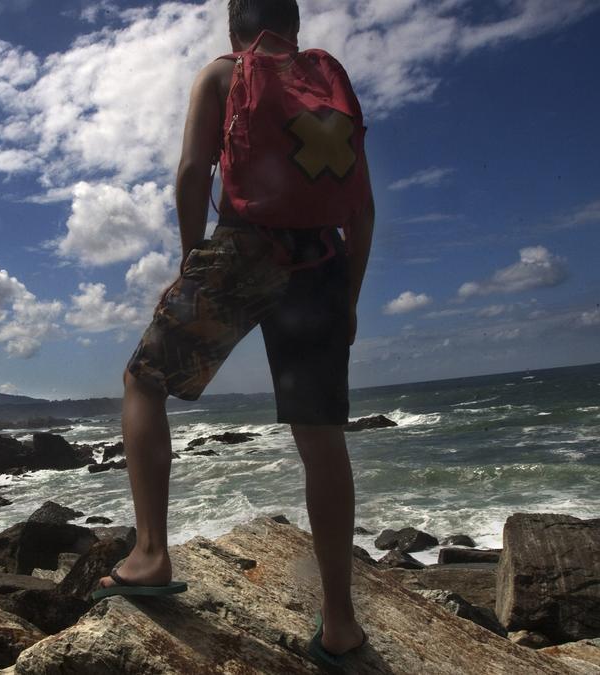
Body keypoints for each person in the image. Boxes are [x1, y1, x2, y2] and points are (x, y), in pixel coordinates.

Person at [94, 0, 375, 667]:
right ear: (295, 27)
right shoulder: (328, 87)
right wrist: (351, 297)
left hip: (245, 249)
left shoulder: (223, 74)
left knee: (142, 382)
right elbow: (361, 206)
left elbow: (194, 172)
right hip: (324, 262)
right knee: (320, 435)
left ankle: (151, 553)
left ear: (234, 27)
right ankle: (339, 623)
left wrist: (193, 262)